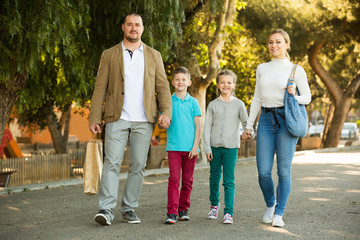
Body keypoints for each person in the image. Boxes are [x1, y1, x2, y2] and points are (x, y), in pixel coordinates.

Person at [89, 13, 172, 226]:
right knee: (112, 162)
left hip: (145, 120)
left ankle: (129, 208)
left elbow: (163, 87)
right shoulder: (109, 55)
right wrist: (95, 117)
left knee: (138, 165)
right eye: (129, 25)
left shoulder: (154, 55)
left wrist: (166, 113)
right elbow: (100, 88)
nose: (133, 28)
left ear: (142, 29)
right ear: (123, 28)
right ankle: (106, 210)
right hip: (117, 118)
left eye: (137, 25)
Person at [241, 29, 311, 227]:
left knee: (283, 171)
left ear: (287, 44)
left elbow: (307, 96)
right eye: (271, 42)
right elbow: (257, 98)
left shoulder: (296, 70)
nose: (274, 45)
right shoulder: (262, 68)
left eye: (278, 42)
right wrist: (249, 125)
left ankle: (279, 213)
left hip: (286, 119)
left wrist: (294, 95)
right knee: (263, 172)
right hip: (265, 119)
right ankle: (271, 204)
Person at [203, 69, 249, 224]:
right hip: (214, 148)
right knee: (214, 178)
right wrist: (207, 148)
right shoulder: (213, 105)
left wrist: (249, 133)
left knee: (229, 180)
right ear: (217, 84)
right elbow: (207, 128)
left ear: (234, 85)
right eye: (222, 82)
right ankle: (214, 205)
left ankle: (228, 212)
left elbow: (246, 124)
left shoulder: (239, 104)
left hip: (231, 148)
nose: (226, 85)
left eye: (229, 82)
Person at [164, 66, 201, 224]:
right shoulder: (168, 102)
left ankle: (183, 209)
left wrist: (195, 146)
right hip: (173, 148)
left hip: (190, 149)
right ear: (173, 82)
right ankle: (172, 212)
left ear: (189, 82)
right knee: (174, 179)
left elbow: (198, 126)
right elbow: (164, 122)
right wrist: (162, 123)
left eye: (183, 79)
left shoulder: (193, 102)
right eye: (177, 79)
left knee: (187, 181)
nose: (180, 82)